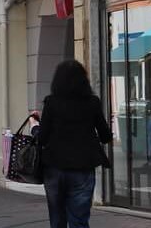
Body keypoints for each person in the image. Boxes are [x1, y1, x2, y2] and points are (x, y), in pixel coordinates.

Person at [35, 60, 112, 228]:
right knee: (79, 220)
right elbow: (106, 135)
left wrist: (35, 127)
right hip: (83, 168)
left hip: (54, 167)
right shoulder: (92, 102)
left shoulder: (51, 102)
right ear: (83, 80)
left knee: (57, 219)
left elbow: (42, 138)